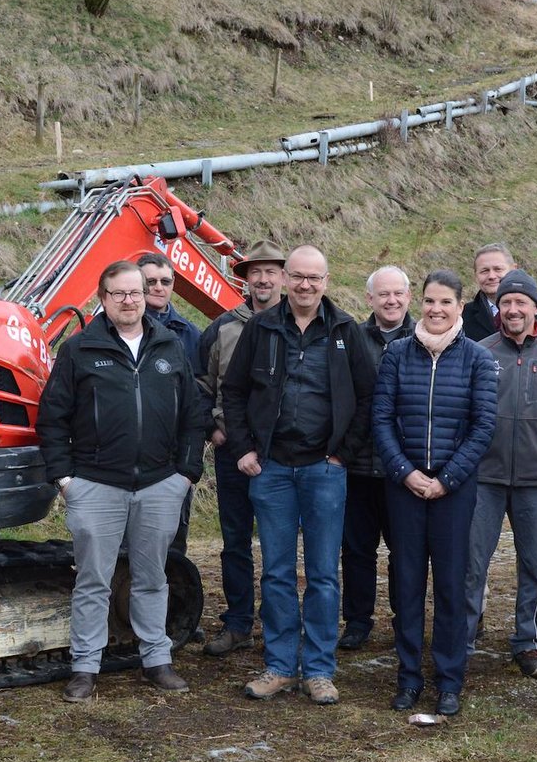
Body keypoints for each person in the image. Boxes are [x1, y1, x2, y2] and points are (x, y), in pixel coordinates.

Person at [37, 260, 204, 703]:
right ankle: (85, 667)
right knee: (93, 579)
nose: (129, 300)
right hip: (96, 485)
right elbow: (52, 418)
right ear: (103, 298)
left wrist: (185, 474)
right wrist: (66, 479)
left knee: (152, 575)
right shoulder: (79, 351)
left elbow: (194, 416)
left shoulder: (170, 347)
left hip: (158, 485)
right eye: (119, 294)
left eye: (137, 291)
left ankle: (157, 659)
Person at [221, 244, 378, 705]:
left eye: (315, 277)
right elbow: (234, 391)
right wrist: (246, 449)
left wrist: (341, 454)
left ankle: (319, 670)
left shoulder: (346, 330)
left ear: (326, 281)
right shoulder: (262, 328)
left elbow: (368, 398)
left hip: (323, 471)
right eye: (298, 277)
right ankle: (280, 666)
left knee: (325, 574)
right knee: (277, 573)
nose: (306, 285)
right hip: (271, 470)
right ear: (286, 279)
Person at [373, 269, 497, 716]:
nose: (436, 309)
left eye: (446, 302)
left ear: (460, 307)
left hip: (453, 489)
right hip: (404, 487)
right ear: (418, 304)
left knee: (449, 586)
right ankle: (408, 678)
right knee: (406, 584)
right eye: (429, 301)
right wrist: (405, 473)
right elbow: (381, 420)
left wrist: (446, 479)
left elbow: (483, 427)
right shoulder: (397, 354)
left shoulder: (479, 360)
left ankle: (449, 680)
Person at [464, 270, 537, 679]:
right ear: (499, 308)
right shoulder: (479, 352)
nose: (513, 309)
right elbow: (463, 417)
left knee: (533, 563)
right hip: (484, 479)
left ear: (536, 309)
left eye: (522, 302)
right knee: (472, 563)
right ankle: (462, 639)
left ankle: (527, 641)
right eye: (506, 302)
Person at [197, 240, 286, 658]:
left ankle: (278, 625)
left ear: (283, 277)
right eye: (256, 272)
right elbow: (201, 385)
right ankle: (237, 623)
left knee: (278, 543)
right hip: (233, 451)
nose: (263, 279)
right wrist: (213, 429)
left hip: (282, 455)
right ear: (244, 278)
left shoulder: (299, 325)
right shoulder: (222, 327)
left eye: (271, 271)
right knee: (235, 540)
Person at [339, 264, 415, 651]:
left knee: (404, 551)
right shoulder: (352, 337)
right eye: (383, 294)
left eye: (398, 293)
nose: (391, 300)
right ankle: (357, 621)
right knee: (356, 550)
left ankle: (406, 619)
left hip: (403, 469)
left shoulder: (423, 338)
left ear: (408, 296)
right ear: (369, 299)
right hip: (356, 465)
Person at [137, 252, 204, 558]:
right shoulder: (115, 330)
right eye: (151, 282)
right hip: (126, 456)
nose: (158, 288)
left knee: (173, 541)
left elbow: (201, 394)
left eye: (165, 281)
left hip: (173, 457)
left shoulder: (189, 335)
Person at [462, 242, 537, 344]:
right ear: (475, 275)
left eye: (498, 269)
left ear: (514, 269)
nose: (492, 276)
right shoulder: (461, 317)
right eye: (484, 271)